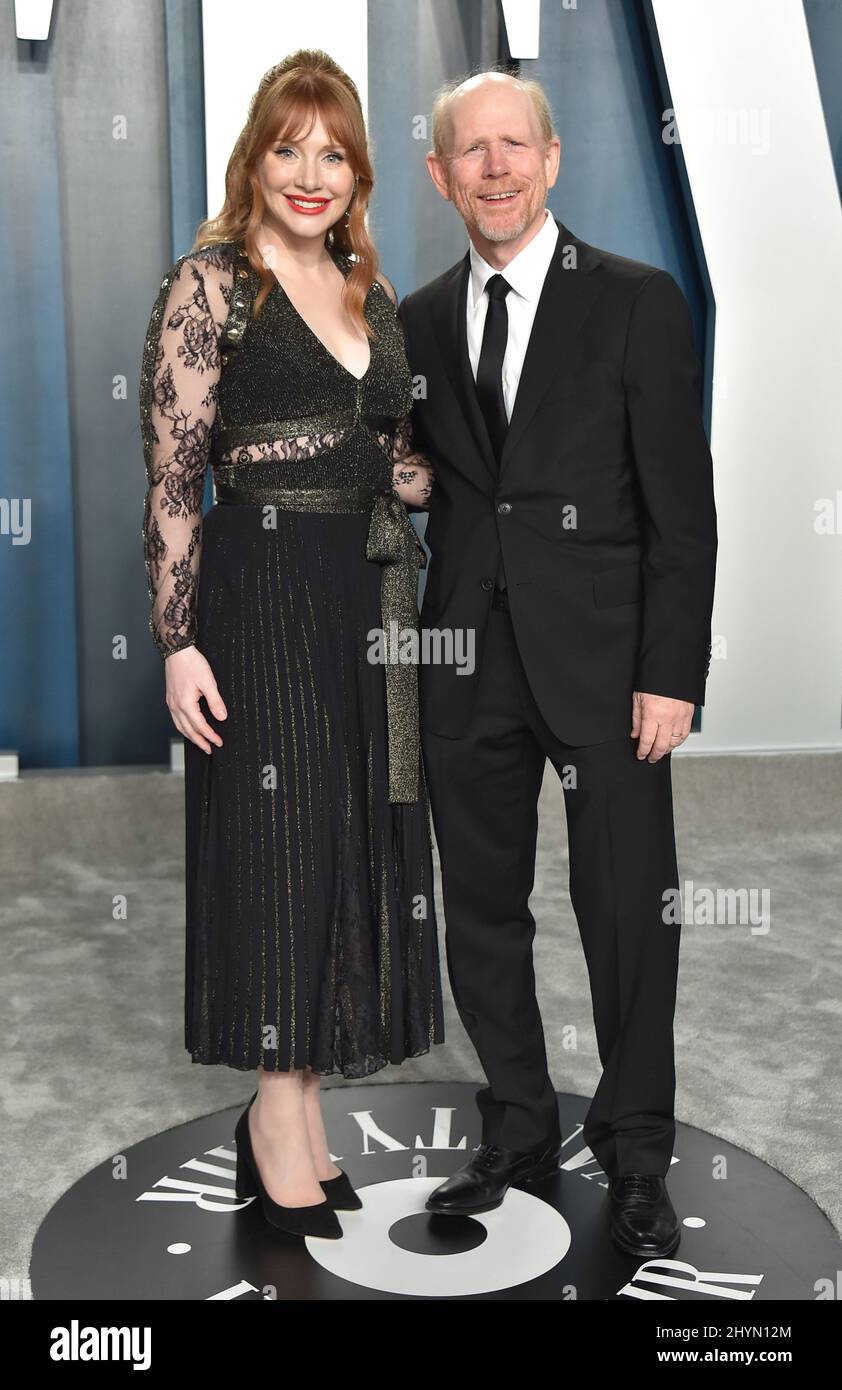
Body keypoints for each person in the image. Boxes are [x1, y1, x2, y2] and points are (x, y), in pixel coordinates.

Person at [398, 69, 717, 1257]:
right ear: (439, 176)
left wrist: (669, 671)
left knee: (626, 914)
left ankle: (635, 1151)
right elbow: (428, 474)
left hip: (606, 668)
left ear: (552, 157)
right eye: (468, 152)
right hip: (464, 662)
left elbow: (682, 512)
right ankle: (517, 1127)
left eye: (511, 145)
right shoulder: (420, 317)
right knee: (480, 911)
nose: (493, 167)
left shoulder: (636, 302)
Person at [139, 49, 444, 1241]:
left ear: (356, 167)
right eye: (287, 148)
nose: (310, 174)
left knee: (343, 840)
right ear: (252, 160)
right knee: (277, 841)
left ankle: (303, 1113)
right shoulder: (212, 284)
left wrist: (496, 479)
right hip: (257, 593)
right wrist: (176, 640)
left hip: (365, 601)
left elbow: (397, 464)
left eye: (332, 152)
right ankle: (272, 1117)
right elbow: (171, 481)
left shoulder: (367, 288)